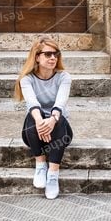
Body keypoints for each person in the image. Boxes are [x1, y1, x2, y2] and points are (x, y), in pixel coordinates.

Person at [15, 36, 73, 200]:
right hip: (35, 133)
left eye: (56, 54)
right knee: (33, 116)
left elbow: (60, 103)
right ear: (37, 56)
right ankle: (40, 164)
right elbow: (32, 103)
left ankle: (53, 175)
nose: (53, 58)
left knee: (59, 117)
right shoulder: (27, 80)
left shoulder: (64, 77)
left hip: (61, 132)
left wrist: (52, 120)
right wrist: (41, 122)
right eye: (48, 54)